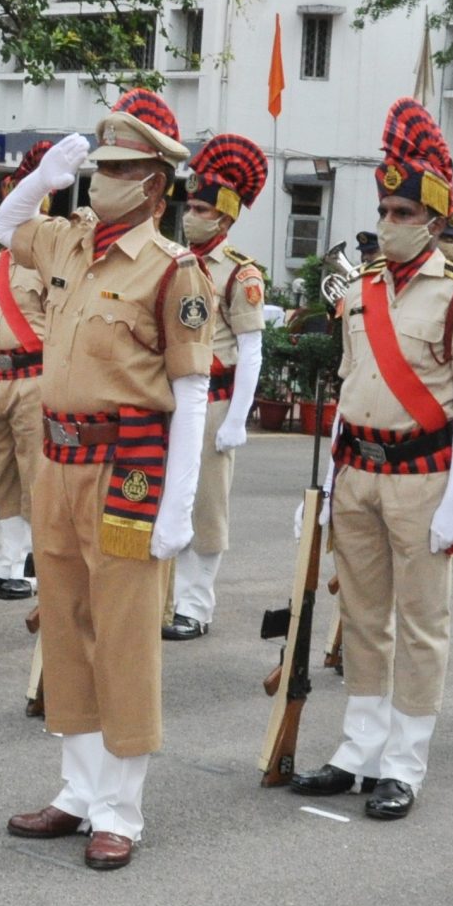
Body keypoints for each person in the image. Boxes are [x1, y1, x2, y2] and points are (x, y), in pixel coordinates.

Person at [0, 88, 210, 870]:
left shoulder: (173, 270)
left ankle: (121, 810)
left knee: (121, 636)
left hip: (130, 469)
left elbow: (191, 393)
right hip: (58, 461)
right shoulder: (69, 243)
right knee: (67, 627)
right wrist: (41, 177)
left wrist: (179, 506)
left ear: (154, 184)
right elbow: (4, 228)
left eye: (119, 168)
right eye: (100, 164)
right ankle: (77, 792)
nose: (102, 178)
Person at [286, 98, 453, 821]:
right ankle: (359, 750)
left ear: (435, 222)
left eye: (404, 212)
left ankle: (404, 764)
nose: (390, 222)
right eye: (385, 209)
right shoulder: (360, 290)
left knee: (421, 623)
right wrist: (327, 483)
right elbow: (349, 391)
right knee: (362, 617)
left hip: (422, 477)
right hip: (359, 473)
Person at [164, 134, 269, 641]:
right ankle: (165, 599)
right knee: (165, 500)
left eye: (202, 210)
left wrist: (237, 420)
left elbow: (251, 349)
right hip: (168, 397)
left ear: (225, 219)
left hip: (213, 400)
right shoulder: (173, 261)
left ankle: (195, 606)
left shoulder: (240, 273)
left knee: (205, 506)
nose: (192, 216)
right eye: (190, 207)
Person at [0, 142, 57, 601]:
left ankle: (32, 565)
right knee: (2, 471)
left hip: (32, 378)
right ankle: (6, 557)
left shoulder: (47, 259)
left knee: (35, 472)